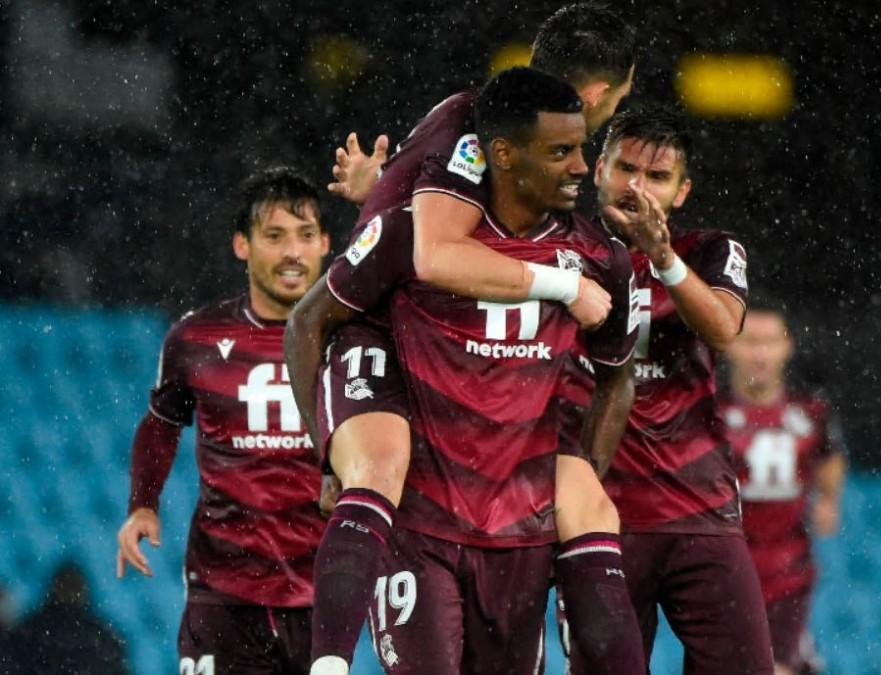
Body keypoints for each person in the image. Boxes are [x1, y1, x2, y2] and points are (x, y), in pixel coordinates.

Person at [286, 6, 643, 673]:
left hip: (474, 357)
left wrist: (378, 193)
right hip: (391, 327)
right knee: (383, 463)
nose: (584, 158)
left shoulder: (503, 145)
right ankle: (328, 662)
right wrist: (564, 286)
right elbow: (435, 257)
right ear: (597, 95)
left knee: (584, 498)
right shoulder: (473, 133)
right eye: (619, 101)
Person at [557, 104, 775, 673]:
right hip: (597, 518)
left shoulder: (710, 251)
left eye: (656, 177)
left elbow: (725, 329)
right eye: (625, 168)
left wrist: (662, 257)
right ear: (598, 168)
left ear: (682, 192)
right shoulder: (553, 251)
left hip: (699, 510)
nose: (636, 187)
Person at [116, 167, 330, 674]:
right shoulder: (196, 338)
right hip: (223, 593)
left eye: (305, 236)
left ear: (325, 243)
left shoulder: (356, 341)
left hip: (325, 593)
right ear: (242, 245)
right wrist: (143, 505)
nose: (292, 253)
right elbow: (160, 424)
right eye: (274, 236)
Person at [721, 300, 848, 675]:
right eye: (750, 341)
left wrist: (829, 499)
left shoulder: (810, 413)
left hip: (787, 569)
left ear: (787, 346)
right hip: (724, 571)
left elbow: (831, 455)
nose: (759, 353)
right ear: (729, 344)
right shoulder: (707, 414)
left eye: (769, 341)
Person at [10, 562, 130, 674]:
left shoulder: (31, 630)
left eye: (73, 586)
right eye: (67, 585)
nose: (70, 592)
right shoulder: (101, 636)